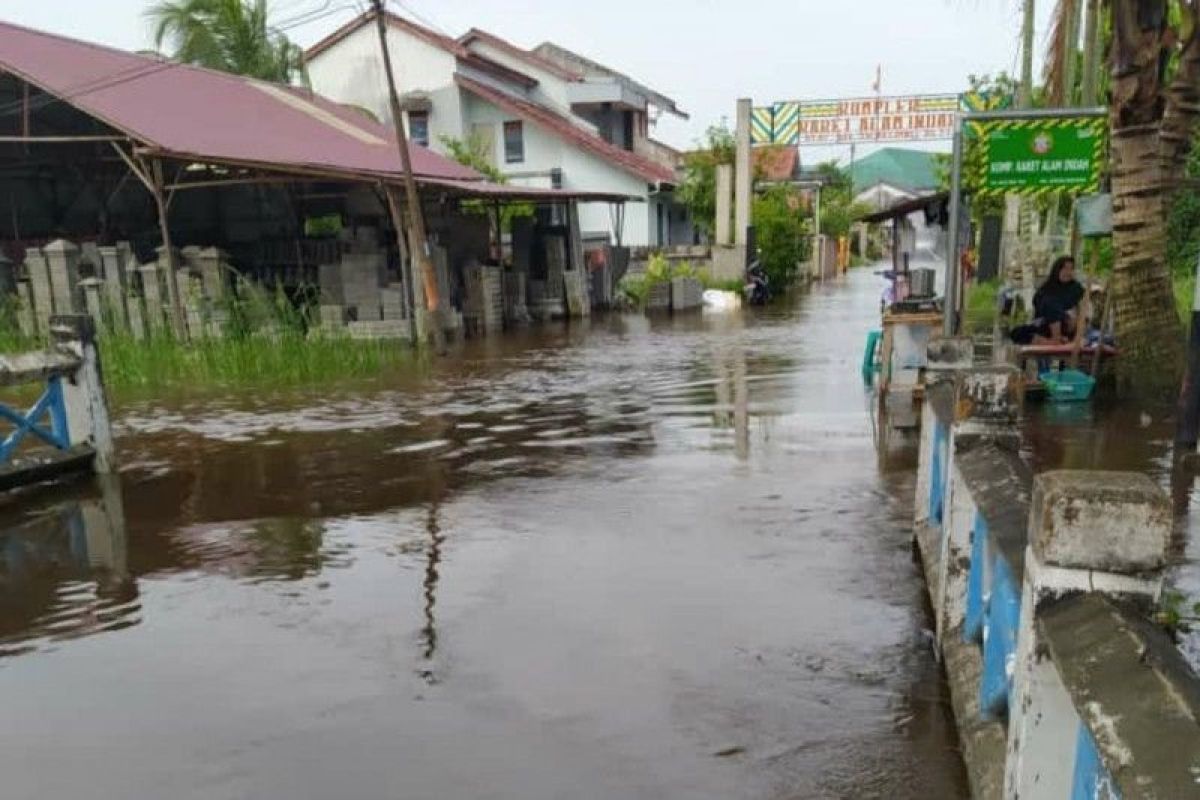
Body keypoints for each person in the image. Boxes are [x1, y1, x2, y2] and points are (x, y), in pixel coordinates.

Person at [1010, 255, 1085, 345]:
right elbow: (1038, 307)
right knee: (1017, 333)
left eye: (1071, 269)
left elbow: (1083, 311)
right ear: (1057, 270)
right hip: (1046, 324)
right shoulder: (1047, 288)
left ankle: (1057, 340)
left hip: (1068, 325)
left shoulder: (1076, 288)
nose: (1068, 272)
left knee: (1052, 305)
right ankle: (1055, 342)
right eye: (1065, 269)